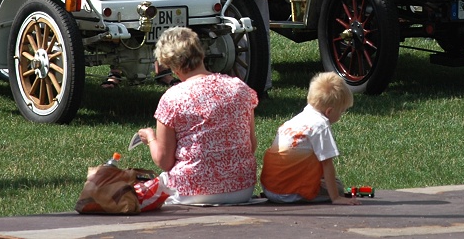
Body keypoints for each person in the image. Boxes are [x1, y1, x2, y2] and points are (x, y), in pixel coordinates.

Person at [136, 26, 258, 205]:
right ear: (201, 54)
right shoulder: (239, 88)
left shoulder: (173, 98)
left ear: (171, 65)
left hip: (191, 191)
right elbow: (251, 145)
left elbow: (164, 161)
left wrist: (151, 138)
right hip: (242, 190)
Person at [260, 72, 357, 205]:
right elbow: (327, 164)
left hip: (270, 189)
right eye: (342, 111)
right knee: (338, 186)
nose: (341, 115)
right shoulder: (320, 126)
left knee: (325, 178)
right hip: (289, 194)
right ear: (329, 111)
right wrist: (336, 197)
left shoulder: (294, 121)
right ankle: (325, 193)